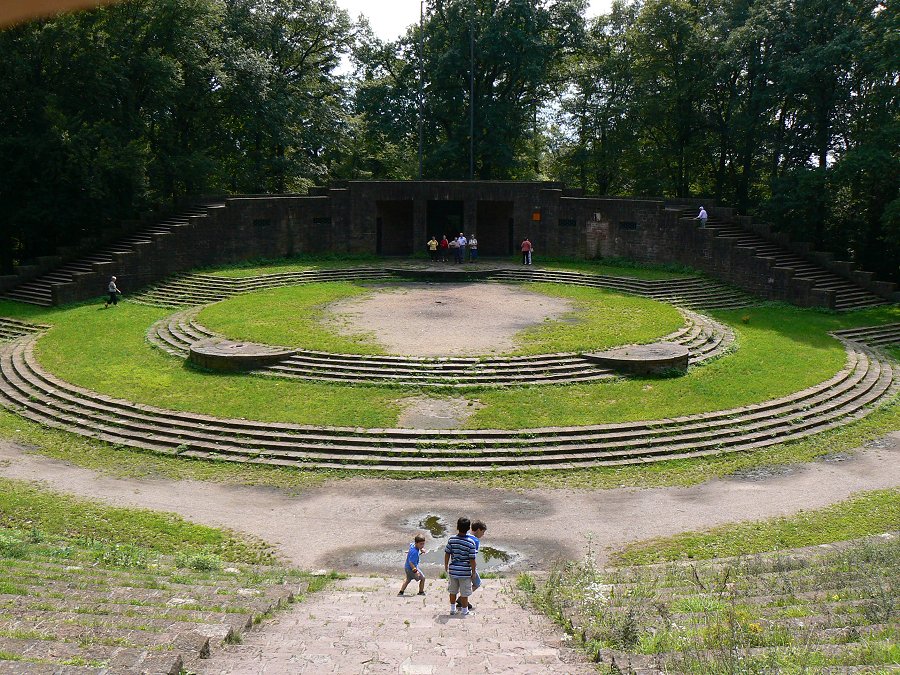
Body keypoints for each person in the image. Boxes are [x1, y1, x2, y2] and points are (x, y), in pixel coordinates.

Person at [445, 516, 477, 616]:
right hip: (465, 571)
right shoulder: (470, 542)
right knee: (464, 592)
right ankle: (464, 610)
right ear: (468, 528)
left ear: (457, 527)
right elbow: (472, 559)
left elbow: (447, 553)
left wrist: (446, 565)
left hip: (453, 570)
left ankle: (452, 609)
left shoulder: (451, 539)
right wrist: (473, 571)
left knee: (453, 591)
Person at [457, 520, 486, 611]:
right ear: (478, 530)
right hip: (468, 566)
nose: (483, 534)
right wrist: (473, 569)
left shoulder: (465, 535)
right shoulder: (475, 541)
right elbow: (472, 557)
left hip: (459, 564)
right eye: (483, 532)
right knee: (477, 583)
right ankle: (462, 599)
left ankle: (462, 598)